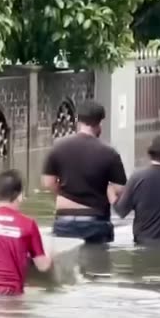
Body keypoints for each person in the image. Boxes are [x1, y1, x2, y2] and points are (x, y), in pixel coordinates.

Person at [41, 100, 128, 244]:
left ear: (77, 121)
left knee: (65, 264)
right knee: (97, 265)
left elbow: (48, 182)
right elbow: (120, 188)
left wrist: (63, 193)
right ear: (100, 123)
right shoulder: (110, 153)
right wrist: (108, 189)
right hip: (96, 221)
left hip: (64, 220)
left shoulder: (58, 147)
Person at [114, 134, 160, 246]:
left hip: (144, 243)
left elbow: (121, 211)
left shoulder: (138, 177)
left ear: (150, 153)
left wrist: (111, 192)